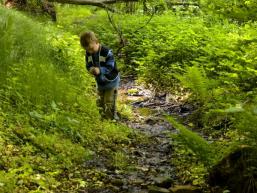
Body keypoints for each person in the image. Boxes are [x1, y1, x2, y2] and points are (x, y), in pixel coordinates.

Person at [80, 31, 120, 120]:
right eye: (87, 49)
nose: (90, 51)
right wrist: (90, 69)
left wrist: (100, 70)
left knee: (109, 101)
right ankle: (103, 119)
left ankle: (112, 120)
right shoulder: (88, 53)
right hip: (100, 81)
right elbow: (88, 64)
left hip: (111, 81)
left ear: (96, 42)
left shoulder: (106, 52)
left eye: (91, 48)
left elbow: (110, 66)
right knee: (99, 101)